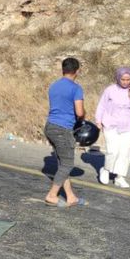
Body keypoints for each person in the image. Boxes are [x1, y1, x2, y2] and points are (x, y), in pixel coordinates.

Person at [43, 57, 87, 207]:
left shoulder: (53, 86)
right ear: (77, 71)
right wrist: (83, 115)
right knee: (67, 164)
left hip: (50, 126)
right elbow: (79, 112)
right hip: (63, 129)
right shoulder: (76, 88)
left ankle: (71, 197)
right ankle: (52, 195)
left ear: (63, 69)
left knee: (62, 163)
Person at [95, 67, 130, 188]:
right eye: (123, 79)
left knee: (125, 152)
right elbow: (101, 105)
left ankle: (120, 177)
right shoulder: (110, 90)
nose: (125, 82)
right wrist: (98, 120)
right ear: (118, 78)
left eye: (128, 79)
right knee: (112, 151)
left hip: (128, 125)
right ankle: (106, 170)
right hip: (111, 124)